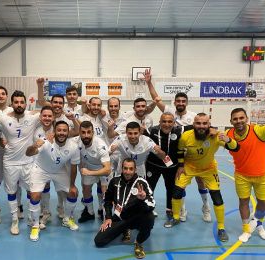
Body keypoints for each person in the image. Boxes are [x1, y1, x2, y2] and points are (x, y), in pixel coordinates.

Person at [145, 68, 211, 223]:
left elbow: (205, 127)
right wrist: (149, 82)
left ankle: (206, 206)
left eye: (183, 101)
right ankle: (181, 208)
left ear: (186, 103)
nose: (180, 103)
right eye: (178, 101)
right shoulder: (169, 112)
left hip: (193, 155)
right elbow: (156, 98)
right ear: (174, 103)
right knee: (180, 184)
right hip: (177, 156)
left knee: (200, 181)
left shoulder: (194, 117)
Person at [167, 113, 239, 242]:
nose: (201, 126)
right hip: (189, 167)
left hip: (209, 169)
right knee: (176, 192)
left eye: (205, 123)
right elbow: (179, 150)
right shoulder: (186, 136)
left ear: (209, 124)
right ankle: (176, 217)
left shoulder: (216, 136)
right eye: (198, 123)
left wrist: (228, 140)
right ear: (193, 124)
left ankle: (221, 228)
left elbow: (236, 148)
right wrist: (181, 165)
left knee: (217, 198)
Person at [227, 107, 265, 242]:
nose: (239, 121)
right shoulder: (228, 135)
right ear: (231, 121)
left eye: (241, 118)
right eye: (235, 119)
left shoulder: (259, 131)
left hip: (262, 175)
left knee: (263, 204)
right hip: (241, 175)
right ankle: (246, 230)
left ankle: (257, 223)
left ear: (247, 119)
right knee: (243, 202)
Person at [26, 121, 80, 241]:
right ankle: (35, 226)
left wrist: (72, 185)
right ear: (54, 131)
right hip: (40, 170)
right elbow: (28, 153)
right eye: (59, 130)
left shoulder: (73, 147)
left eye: (64, 130)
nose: (61, 133)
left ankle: (67, 219)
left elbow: (74, 166)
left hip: (58, 170)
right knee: (35, 195)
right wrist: (35, 145)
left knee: (73, 193)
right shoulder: (46, 142)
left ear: (68, 132)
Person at [0, 90, 41, 235]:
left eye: (22, 102)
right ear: (12, 104)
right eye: (16, 102)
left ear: (25, 103)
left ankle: (30, 217)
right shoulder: (2, 118)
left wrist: (40, 87)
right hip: (10, 162)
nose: (19, 104)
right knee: (11, 192)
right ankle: (14, 220)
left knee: (30, 191)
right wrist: (1, 142)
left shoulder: (32, 117)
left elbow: (47, 108)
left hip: (28, 162)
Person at [94, 158, 155, 259]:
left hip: (136, 218)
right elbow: (107, 200)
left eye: (131, 169)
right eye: (125, 168)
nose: (128, 172)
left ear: (135, 170)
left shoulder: (142, 183)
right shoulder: (114, 181)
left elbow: (152, 205)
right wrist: (108, 217)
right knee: (99, 241)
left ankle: (139, 242)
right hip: (120, 218)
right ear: (122, 169)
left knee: (150, 218)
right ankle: (125, 229)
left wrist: (143, 199)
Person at [0, 86, 23, 224]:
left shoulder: (14, 110)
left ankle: (19, 205)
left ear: (7, 96)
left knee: (16, 181)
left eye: (3, 93)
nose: (1, 96)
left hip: (14, 152)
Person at [77, 121, 111, 223]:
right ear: (79, 132)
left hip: (102, 168)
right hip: (89, 167)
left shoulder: (100, 146)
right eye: (83, 132)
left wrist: (89, 173)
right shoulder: (77, 141)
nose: (86, 135)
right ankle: (90, 212)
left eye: (89, 132)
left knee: (104, 192)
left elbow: (107, 170)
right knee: (86, 190)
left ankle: (102, 210)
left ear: (93, 133)